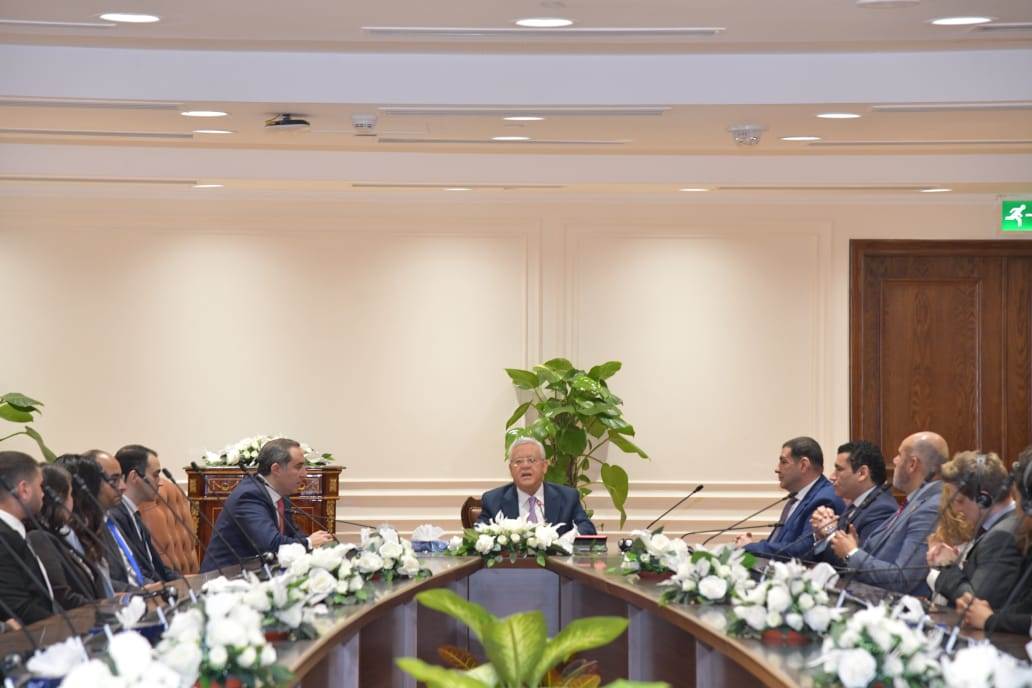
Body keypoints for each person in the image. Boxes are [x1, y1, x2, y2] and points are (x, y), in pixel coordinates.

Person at [831, 431, 948, 596]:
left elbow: (903, 577)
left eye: (899, 455)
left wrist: (852, 553)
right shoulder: (915, 501)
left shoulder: (931, 508)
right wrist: (856, 549)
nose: (894, 461)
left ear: (912, 464)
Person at [201, 438, 333, 573]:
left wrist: (318, 545)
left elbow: (292, 533)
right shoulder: (249, 495)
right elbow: (270, 544)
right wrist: (309, 542)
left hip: (258, 573)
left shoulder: (280, 492)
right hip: (225, 578)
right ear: (276, 469)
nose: (305, 473)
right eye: (298, 467)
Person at [926, 451, 1020, 608]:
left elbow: (976, 606)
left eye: (959, 501)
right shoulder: (1004, 524)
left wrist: (947, 566)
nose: (956, 510)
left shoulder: (1002, 535)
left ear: (983, 499)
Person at [958, 446, 1032, 635]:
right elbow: (1027, 605)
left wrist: (991, 620)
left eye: (1018, 497)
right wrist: (988, 614)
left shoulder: (1006, 534)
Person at [736, 436, 843, 559]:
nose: (777, 469)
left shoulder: (824, 499)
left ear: (803, 465)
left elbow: (801, 550)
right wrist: (752, 545)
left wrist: (749, 547)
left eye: (784, 462)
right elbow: (781, 544)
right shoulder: (795, 498)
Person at [476, 437, 596, 536]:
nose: (525, 466)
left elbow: (587, 530)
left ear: (544, 466)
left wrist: (565, 540)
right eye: (518, 461)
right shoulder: (493, 500)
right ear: (511, 469)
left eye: (531, 460)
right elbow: (478, 534)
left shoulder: (568, 497)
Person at [27, 463, 106, 609]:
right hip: (82, 618)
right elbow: (63, 596)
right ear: (58, 498)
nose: (72, 501)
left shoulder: (56, 534)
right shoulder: (39, 538)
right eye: (70, 494)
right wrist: (107, 606)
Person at [808, 441, 897, 565]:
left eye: (839, 469)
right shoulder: (856, 504)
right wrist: (821, 535)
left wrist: (830, 533)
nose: (832, 476)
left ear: (862, 473)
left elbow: (859, 567)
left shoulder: (882, 509)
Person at [109, 444, 179, 582]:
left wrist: (187, 582)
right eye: (155, 475)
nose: (160, 483)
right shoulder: (116, 517)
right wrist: (165, 588)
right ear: (135, 477)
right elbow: (136, 572)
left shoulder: (134, 514)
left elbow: (156, 568)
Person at [0, 451, 55, 625]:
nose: (43, 494)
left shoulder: (11, 531)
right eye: (40, 486)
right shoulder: (3, 537)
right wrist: (65, 626)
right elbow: (19, 607)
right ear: (24, 490)